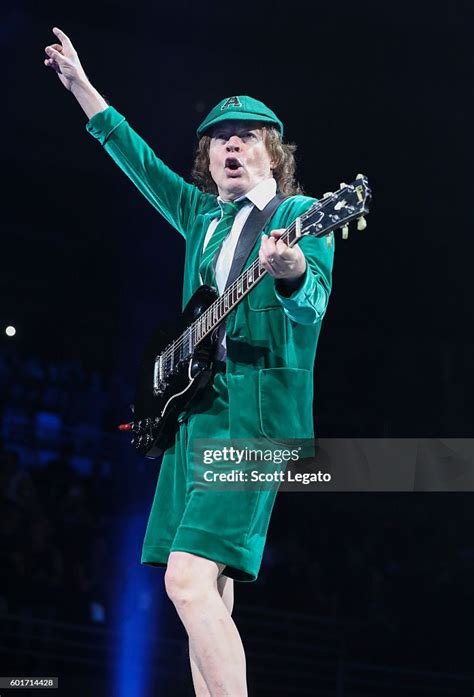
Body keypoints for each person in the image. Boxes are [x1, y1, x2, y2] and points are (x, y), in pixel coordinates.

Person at [44, 27, 334, 696]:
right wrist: (82, 88)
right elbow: (140, 163)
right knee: (206, 591)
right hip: (194, 418)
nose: (230, 144)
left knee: (185, 576)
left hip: (256, 418)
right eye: (219, 138)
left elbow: (310, 303)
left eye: (246, 135)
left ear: (273, 152)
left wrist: (289, 267)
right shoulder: (203, 216)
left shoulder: (302, 214)